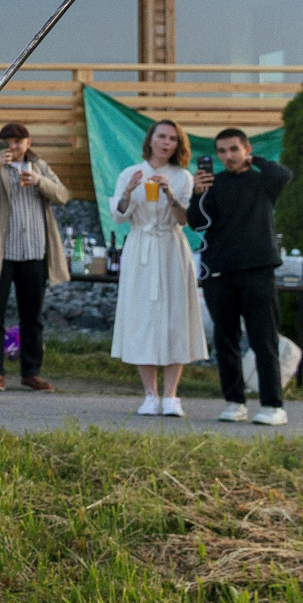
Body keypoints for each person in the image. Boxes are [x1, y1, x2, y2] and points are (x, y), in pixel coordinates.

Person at [188, 126, 295, 426]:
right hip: (219, 272)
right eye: (222, 151)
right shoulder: (213, 184)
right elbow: (196, 224)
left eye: (234, 149)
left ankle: (273, 405)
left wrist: (256, 159)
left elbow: (284, 174)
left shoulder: (264, 181)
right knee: (226, 340)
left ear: (246, 150)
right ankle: (234, 401)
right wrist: (197, 194)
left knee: (264, 339)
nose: (227, 156)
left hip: (258, 270)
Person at [109, 118, 208, 416]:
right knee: (143, 317)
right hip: (141, 245)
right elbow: (118, 217)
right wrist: (128, 192)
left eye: (173, 139)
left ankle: (171, 395)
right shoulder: (130, 172)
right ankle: (149, 394)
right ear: (150, 140)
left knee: (175, 315)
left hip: (170, 247)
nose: (166, 143)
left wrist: (169, 193)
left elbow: (183, 220)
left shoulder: (183, 177)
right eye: (161, 136)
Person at [0, 122, 68, 392]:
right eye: (7, 141)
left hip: (34, 251)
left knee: (32, 316)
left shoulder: (40, 167)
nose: (13, 146)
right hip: (0, 253)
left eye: (18, 141)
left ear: (28, 143)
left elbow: (62, 195)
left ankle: (31, 372)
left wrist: (40, 181)